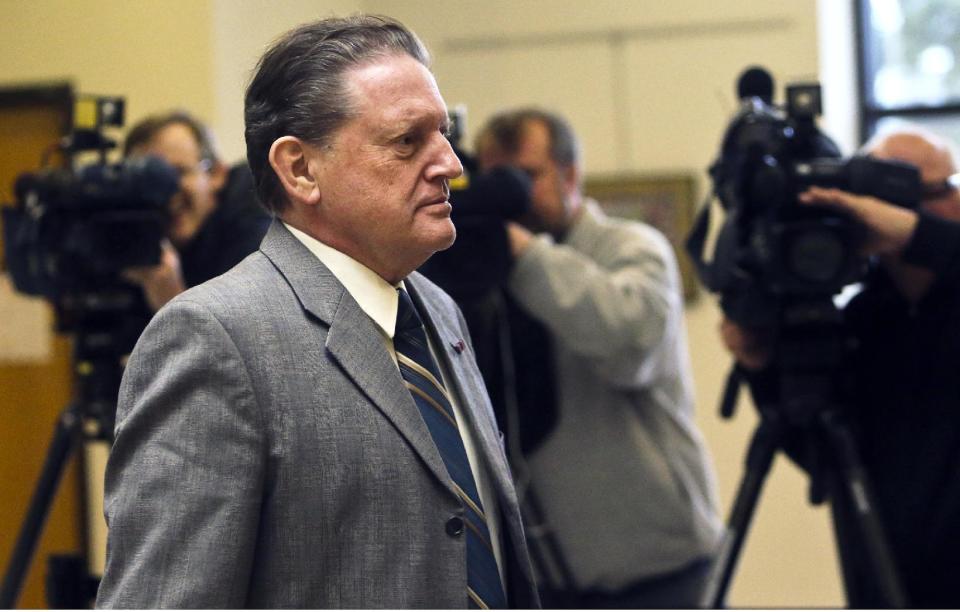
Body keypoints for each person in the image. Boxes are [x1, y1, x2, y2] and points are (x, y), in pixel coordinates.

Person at [96, 15, 538, 608]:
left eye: (444, 133)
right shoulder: (214, 338)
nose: (451, 164)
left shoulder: (437, 310)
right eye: (408, 141)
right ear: (301, 170)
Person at [474, 108, 722, 608]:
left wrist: (524, 254)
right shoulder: (486, 270)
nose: (509, 195)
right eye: (492, 179)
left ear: (570, 173)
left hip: (658, 564)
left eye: (525, 177)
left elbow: (630, 342)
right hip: (549, 571)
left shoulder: (632, 247)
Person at [722, 126, 960, 607]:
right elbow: (823, 458)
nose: (956, 200)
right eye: (941, 189)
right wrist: (761, 366)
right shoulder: (861, 321)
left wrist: (914, 235)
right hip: (882, 579)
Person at [120, 111, 271, 311]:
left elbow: (255, 336)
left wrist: (171, 302)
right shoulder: (126, 237)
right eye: (147, 180)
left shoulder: (255, 226)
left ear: (216, 173)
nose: (163, 194)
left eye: (177, 172)